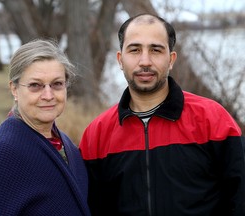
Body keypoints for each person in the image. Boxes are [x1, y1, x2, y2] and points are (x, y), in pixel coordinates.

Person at [79, 13, 245, 216]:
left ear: (171, 59)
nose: (145, 61)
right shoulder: (97, 135)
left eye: (156, 50)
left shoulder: (212, 119)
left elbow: (240, 197)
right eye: (135, 50)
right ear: (120, 59)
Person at [0, 38, 91, 216]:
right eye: (35, 86)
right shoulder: (2, 155)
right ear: (14, 89)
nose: (48, 95)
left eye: (57, 84)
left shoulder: (64, 144)